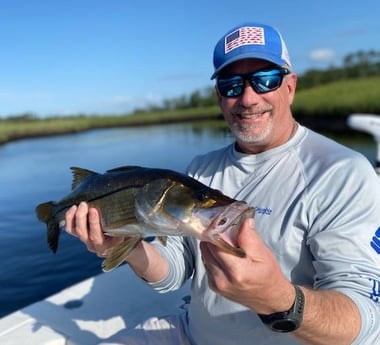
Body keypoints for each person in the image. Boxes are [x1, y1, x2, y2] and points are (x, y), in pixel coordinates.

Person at [65, 22, 380, 344]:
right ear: (219, 96)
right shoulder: (202, 167)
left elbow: (367, 318)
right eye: (231, 85)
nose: (248, 98)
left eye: (265, 80)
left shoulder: (341, 172)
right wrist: (126, 245)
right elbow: (175, 271)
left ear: (290, 86)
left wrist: (278, 300)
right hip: (192, 333)